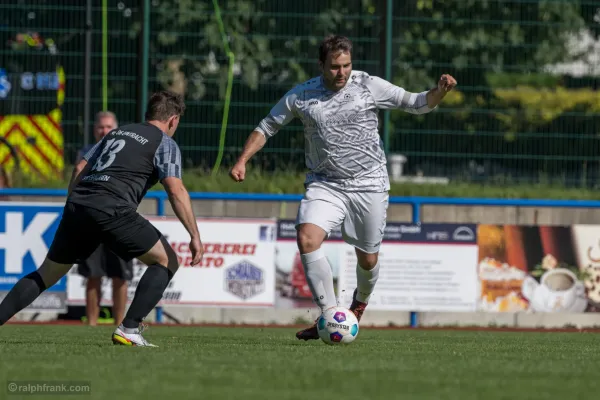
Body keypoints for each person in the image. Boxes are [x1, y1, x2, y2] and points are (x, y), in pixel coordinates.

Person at [230, 35, 457, 341]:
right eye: (334, 67)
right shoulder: (302, 95)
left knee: (368, 260)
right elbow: (267, 126)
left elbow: (414, 103)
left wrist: (438, 92)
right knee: (307, 238)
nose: (342, 73)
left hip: (370, 185)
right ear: (321, 65)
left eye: (346, 65)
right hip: (326, 184)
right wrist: (243, 159)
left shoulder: (368, 85)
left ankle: (358, 306)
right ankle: (329, 316)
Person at [0, 91, 204, 347]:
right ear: (173, 120)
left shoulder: (116, 133)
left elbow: (78, 168)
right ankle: (129, 328)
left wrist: (73, 207)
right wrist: (194, 236)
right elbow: (176, 190)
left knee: (45, 275)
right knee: (166, 260)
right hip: (113, 207)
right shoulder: (164, 142)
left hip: (79, 204)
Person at [76, 111, 134, 327]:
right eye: (101, 127)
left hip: (119, 217)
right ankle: (92, 323)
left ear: (116, 130)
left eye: (109, 127)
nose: (104, 131)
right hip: (91, 219)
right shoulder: (85, 152)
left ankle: (121, 324)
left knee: (121, 275)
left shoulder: (128, 151)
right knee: (93, 274)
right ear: (94, 130)